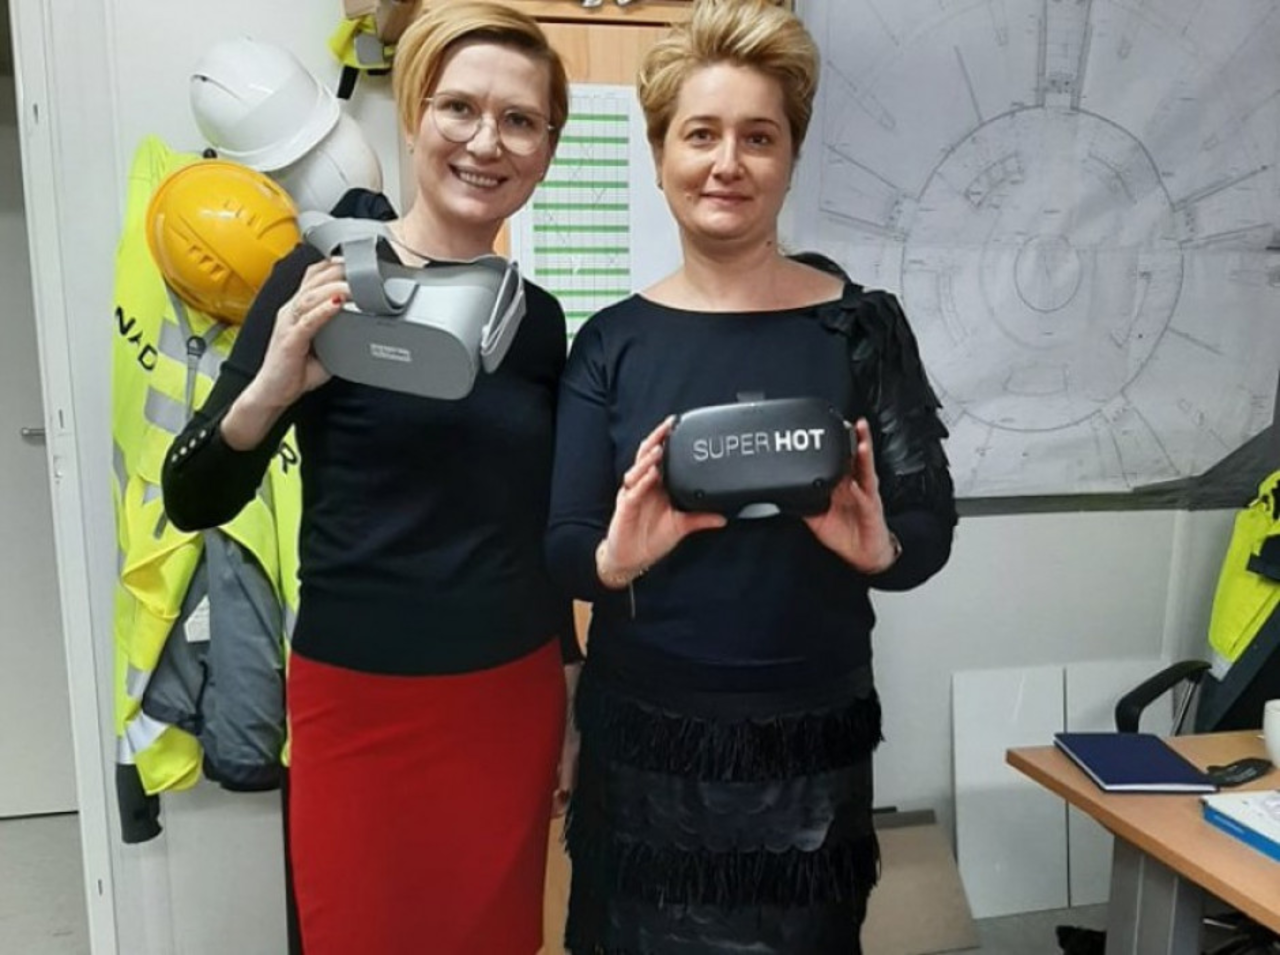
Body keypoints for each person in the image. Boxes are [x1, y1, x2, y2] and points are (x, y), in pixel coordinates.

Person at [161, 4, 578, 953]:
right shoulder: (318, 281)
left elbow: (535, 529)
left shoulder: (540, 321)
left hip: (508, 701)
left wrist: (570, 692)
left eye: (520, 120)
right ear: (416, 115)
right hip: (357, 702)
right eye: (459, 107)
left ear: (547, 148)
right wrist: (272, 386)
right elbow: (194, 497)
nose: (486, 141)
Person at [544, 0, 958, 951]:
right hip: (646, 742)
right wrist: (615, 558)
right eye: (700, 134)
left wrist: (882, 550)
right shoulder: (609, 342)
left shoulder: (861, 328)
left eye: (758, 137)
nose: (727, 162)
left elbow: (928, 526)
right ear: (659, 154)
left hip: (807, 747)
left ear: (790, 158)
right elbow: (563, 544)